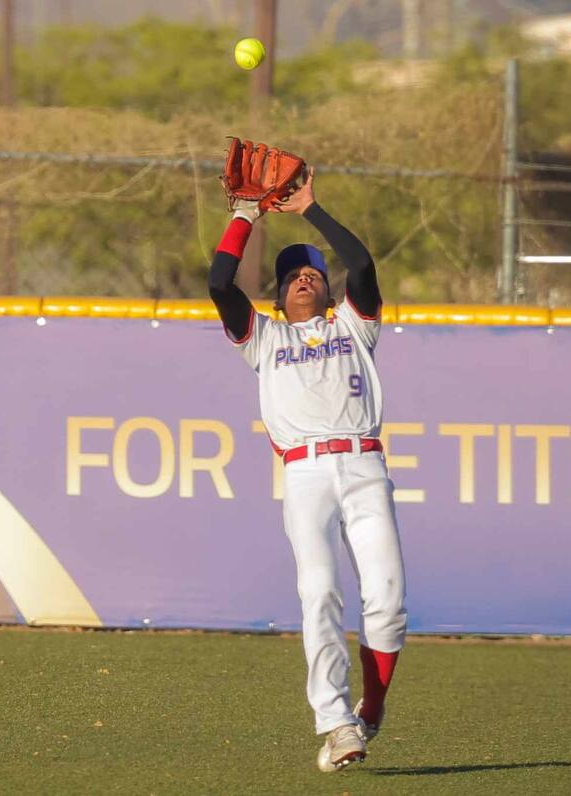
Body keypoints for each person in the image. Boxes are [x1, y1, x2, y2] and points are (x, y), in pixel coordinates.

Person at [207, 166, 406, 772]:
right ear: (278, 294)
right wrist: (245, 215)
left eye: (313, 274)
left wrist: (311, 209)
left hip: (365, 466)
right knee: (318, 592)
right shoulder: (262, 338)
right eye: (293, 275)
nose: (304, 279)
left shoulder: (355, 324)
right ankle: (337, 723)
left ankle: (370, 708)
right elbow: (220, 284)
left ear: (327, 290)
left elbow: (363, 265)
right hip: (306, 475)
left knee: (389, 598)